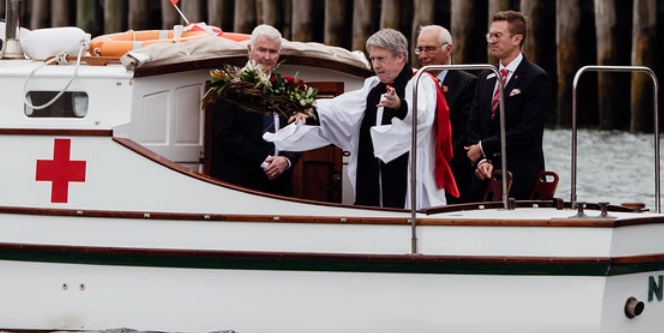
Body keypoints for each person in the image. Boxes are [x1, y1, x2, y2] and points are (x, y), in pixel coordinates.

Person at [269, 28, 452, 210]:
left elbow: (423, 115)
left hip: (407, 172)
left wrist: (399, 105)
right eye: (372, 59)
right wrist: (312, 111)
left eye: (381, 58)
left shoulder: (420, 81)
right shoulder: (373, 86)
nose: (376, 65)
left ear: (400, 57)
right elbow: (343, 108)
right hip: (372, 170)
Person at [463, 10, 554, 200]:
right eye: (490, 35)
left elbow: (528, 131)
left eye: (498, 36)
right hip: (485, 177)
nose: (492, 41)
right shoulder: (486, 76)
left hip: (520, 178)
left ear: (517, 39)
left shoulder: (537, 78)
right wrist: (482, 160)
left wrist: (483, 147)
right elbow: (473, 123)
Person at [205, 24, 302, 194]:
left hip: (279, 184)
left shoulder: (288, 89)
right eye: (261, 50)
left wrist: (286, 160)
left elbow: (298, 133)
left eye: (273, 52)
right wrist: (264, 161)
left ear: (279, 54)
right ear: (249, 50)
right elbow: (224, 134)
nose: (267, 57)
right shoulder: (230, 85)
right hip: (238, 183)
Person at [416, 25, 484, 203]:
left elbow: (465, 132)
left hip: (452, 173)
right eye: (420, 49)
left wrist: (434, 158)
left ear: (449, 49)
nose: (423, 56)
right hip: (419, 171)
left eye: (429, 49)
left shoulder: (468, 83)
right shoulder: (414, 84)